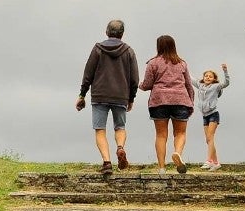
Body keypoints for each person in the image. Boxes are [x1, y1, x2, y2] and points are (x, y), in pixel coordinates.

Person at [76, 19, 140, 175]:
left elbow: (88, 73)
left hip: (99, 95)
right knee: (120, 127)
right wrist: (131, 98)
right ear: (122, 34)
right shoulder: (129, 51)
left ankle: (107, 162)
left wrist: (82, 94)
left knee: (100, 130)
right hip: (121, 96)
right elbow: (134, 79)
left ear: (106, 31)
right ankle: (120, 147)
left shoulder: (98, 49)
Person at [139, 35, 196, 174]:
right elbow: (189, 85)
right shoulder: (182, 63)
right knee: (180, 133)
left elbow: (147, 85)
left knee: (161, 135)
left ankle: (162, 168)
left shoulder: (153, 63)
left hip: (159, 101)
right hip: (180, 100)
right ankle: (177, 153)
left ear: (158, 46)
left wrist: (140, 85)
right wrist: (191, 103)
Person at [196, 63, 230, 170]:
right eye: (206, 76)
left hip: (213, 115)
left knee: (210, 137)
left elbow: (226, 83)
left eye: (210, 76)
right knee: (208, 140)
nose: (208, 77)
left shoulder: (216, 86)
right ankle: (216, 163)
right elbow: (190, 78)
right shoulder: (200, 85)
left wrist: (225, 71)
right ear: (203, 77)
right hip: (204, 115)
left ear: (214, 79)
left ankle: (209, 161)